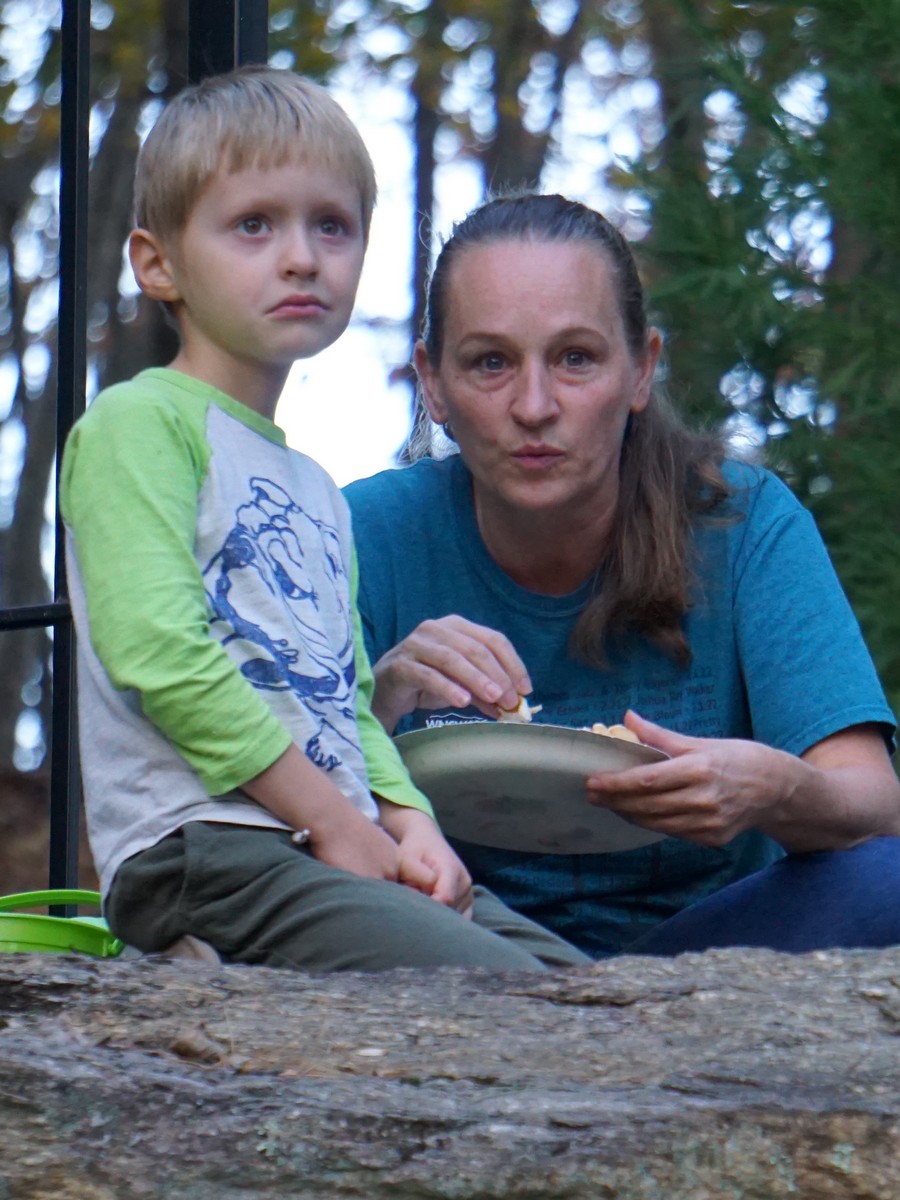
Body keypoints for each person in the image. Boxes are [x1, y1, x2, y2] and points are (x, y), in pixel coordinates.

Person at [60, 72, 591, 974]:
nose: (302, 257)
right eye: (254, 225)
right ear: (158, 264)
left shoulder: (313, 486)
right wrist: (338, 823)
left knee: (596, 998)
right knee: (503, 997)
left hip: (317, 842)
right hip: (205, 850)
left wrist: (411, 824)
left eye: (332, 226)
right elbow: (162, 657)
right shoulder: (138, 424)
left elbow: (343, 699)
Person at [344, 192, 900, 959]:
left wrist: (775, 791)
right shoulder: (364, 532)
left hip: (709, 955)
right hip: (455, 940)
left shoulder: (742, 523)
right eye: (490, 362)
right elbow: (271, 798)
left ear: (642, 370)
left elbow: (876, 803)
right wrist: (379, 698)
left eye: (576, 358)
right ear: (433, 383)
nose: (534, 405)